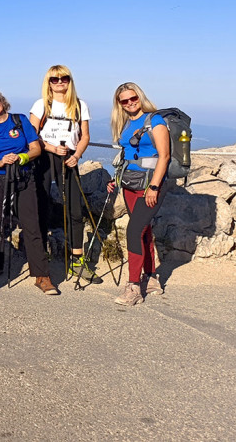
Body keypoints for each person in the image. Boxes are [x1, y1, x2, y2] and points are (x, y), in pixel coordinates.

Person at [0, 88, 58, 295]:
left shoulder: (19, 121)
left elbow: (35, 148)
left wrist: (21, 157)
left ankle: (42, 275)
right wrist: (0, 162)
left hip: (24, 176)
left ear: (1, 100)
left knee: (31, 224)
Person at [29, 65, 99, 283]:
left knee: (75, 210)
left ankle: (77, 261)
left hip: (69, 158)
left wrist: (76, 155)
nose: (59, 82)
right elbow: (32, 135)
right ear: (48, 82)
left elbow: (85, 136)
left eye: (64, 78)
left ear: (70, 81)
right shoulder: (41, 105)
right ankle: (41, 257)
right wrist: (51, 148)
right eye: (54, 79)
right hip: (44, 157)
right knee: (41, 206)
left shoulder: (79, 105)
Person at [108, 82, 170, 306]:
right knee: (143, 231)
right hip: (130, 183)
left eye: (133, 98)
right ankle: (151, 279)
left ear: (140, 97)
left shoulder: (155, 120)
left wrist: (154, 187)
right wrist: (115, 179)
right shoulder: (126, 123)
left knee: (134, 231)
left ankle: (134, 286)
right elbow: (126, 155)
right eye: (124, 100)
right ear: (119, 104)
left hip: (149, 185)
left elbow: (164, 156)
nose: (130, 103)